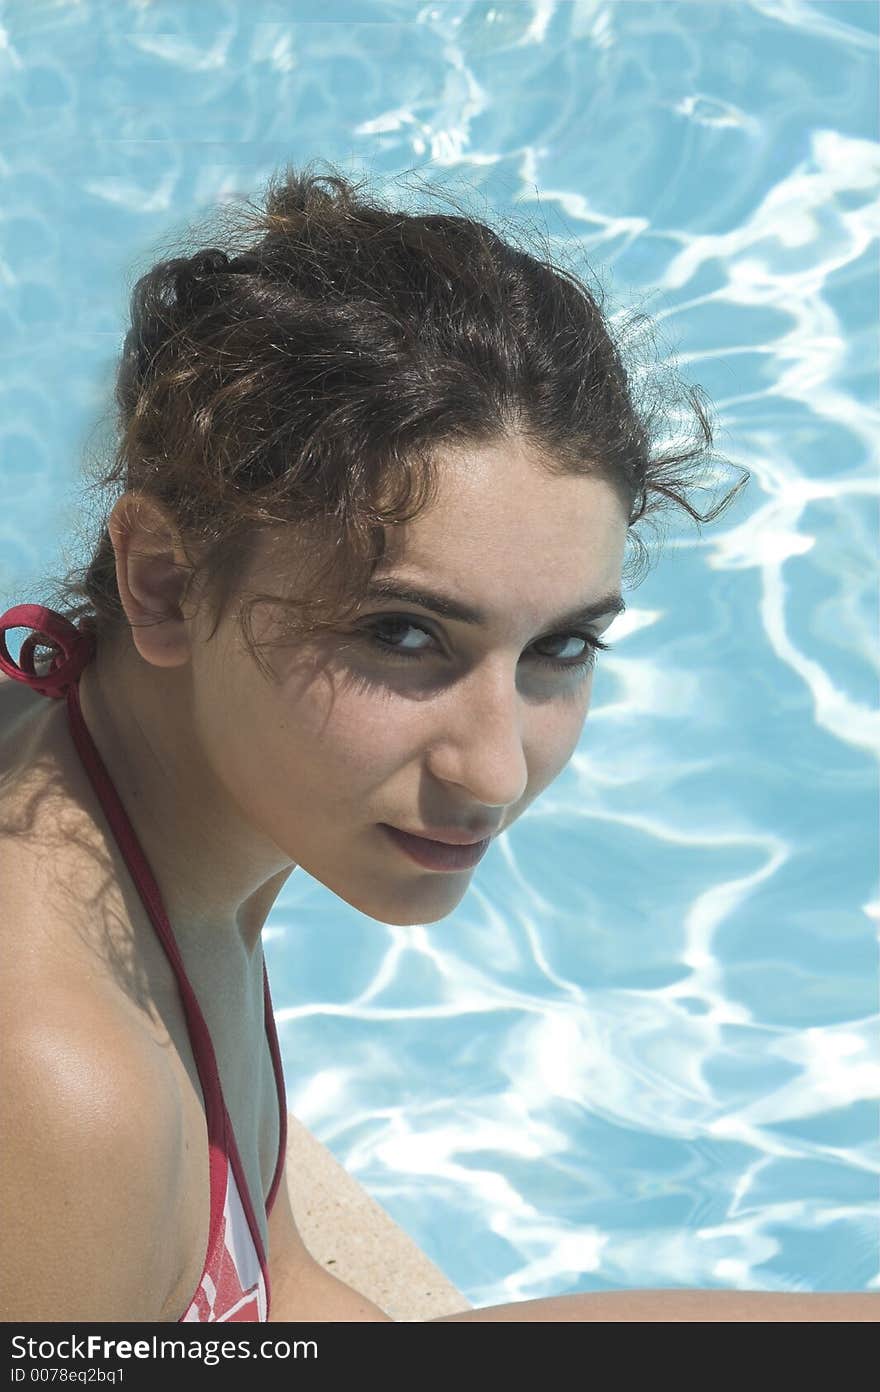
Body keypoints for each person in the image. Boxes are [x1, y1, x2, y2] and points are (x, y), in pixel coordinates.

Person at [2, 160, 873, 1323]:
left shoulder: (160, 817)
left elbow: (285, 1296)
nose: (496, 771)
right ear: (161, 580)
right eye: (404, 634)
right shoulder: (62, 1082)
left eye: (560, 651)